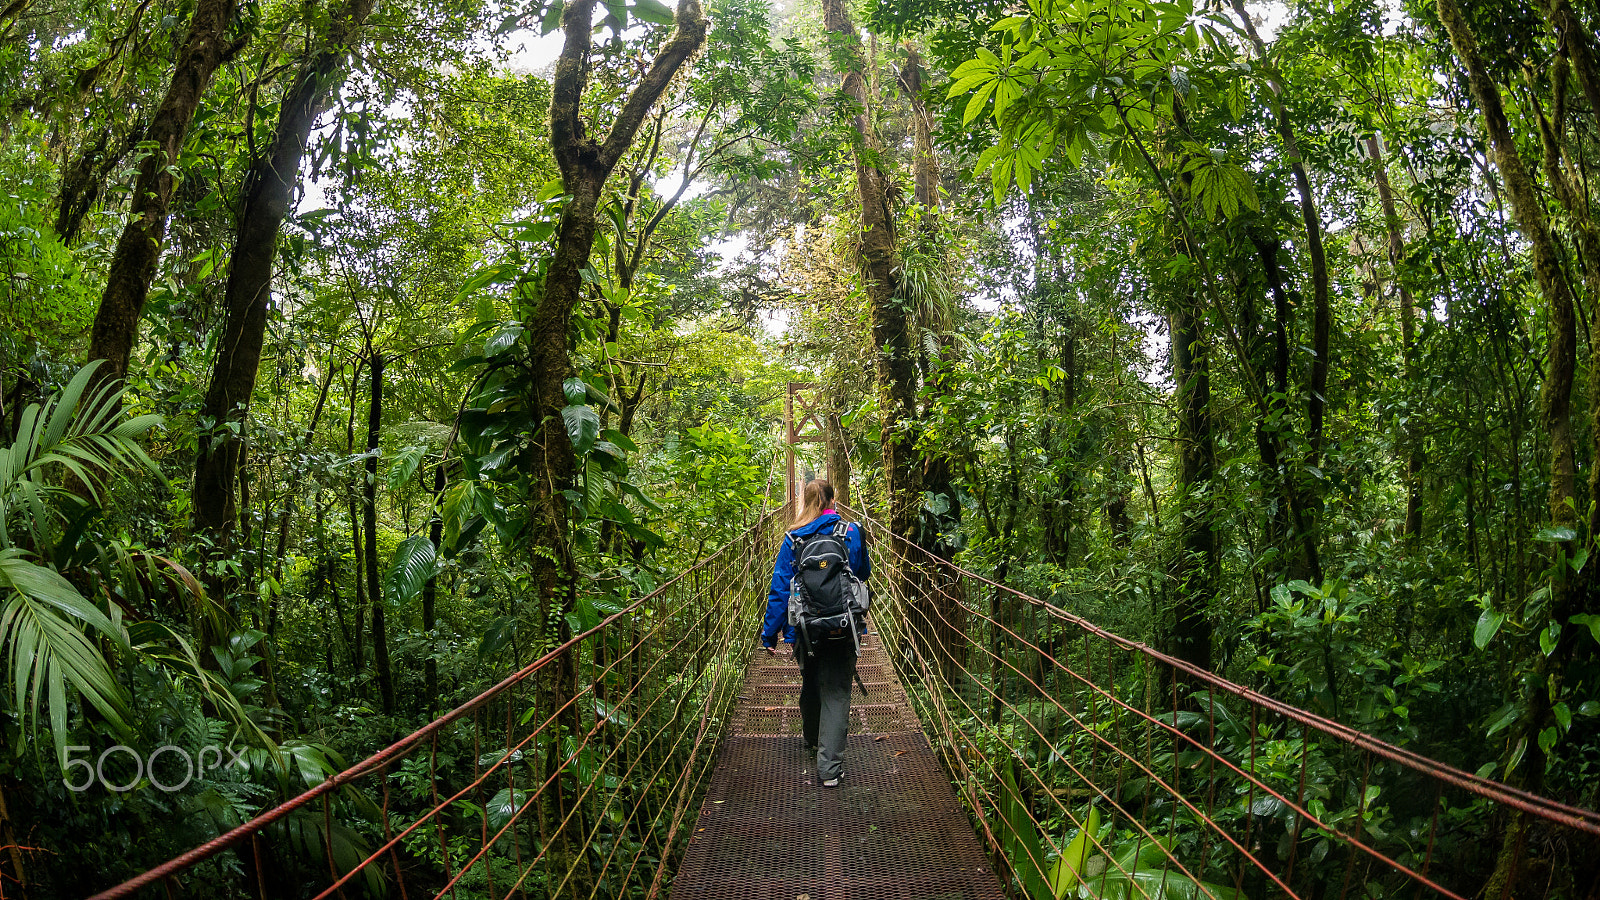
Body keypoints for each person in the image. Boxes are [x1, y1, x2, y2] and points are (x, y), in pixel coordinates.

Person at [761, 478, 870, 787]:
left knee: (811, 677)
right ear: (833, 502)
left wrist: (770, 635)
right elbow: (862, 573)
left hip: (805, 626)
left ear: (804, 503)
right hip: (844, 624)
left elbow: (780, 589)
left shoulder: (793, 538)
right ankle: (830, 771)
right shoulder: (850, 531)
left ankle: (811, 738)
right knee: (836, 690)